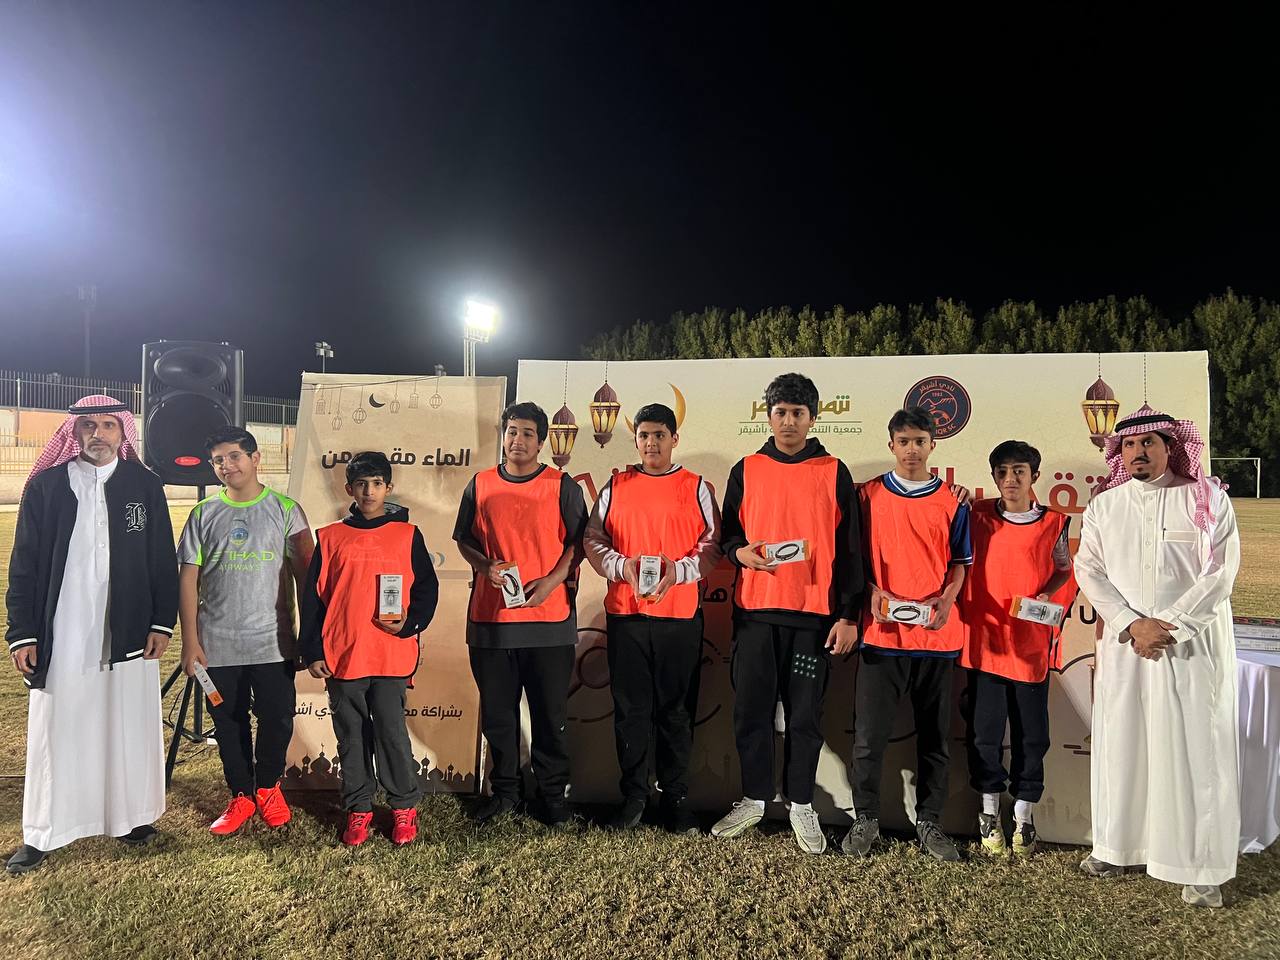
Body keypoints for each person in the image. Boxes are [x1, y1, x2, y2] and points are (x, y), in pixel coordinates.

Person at [1073, 404, 1240, 908]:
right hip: (1127, 646)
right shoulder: (1106, 506)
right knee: (1121, 742)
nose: (1138, 452)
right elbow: (1089, 570)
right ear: (1118, 453)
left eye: (1148, 443)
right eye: (1129, 445)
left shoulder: (1206, 499)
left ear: (1171, 447)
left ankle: (1199, 863)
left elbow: (1220, 572)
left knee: (1194, 749)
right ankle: (1115, 846)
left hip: (1189, 649)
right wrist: (1132, 624)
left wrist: (1169, 627)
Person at [5, 395, 178, 874]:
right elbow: (24, 565)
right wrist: (23, 632)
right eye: (87, 426)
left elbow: (161, 559)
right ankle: (44, 830)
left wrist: (161, 622)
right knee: (58, 726)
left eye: (108, 425)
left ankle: (129, 817)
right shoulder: (46, 487)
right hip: (63, 629)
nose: (97, 434)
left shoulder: (144, 485)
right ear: (74, 432)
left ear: (123, 432)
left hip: (128, 629)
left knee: (126, 722)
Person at [711, 372, 863, 855]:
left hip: (812, 621)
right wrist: (740, 554)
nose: (789, 421)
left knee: (804, 716)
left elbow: (851, 550)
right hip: (755, 616)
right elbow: (727, 535)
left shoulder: (834, 471)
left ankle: (801, 803)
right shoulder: (747, 468)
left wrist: (847, 615)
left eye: (798, 413)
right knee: (751, 712)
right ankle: (755, 798)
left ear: (813, 419)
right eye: (781, 412)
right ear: (768, 416)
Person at [583, 402, 721, 832]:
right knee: (630, 711)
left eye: (660, 435)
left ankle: (674, 798)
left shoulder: (696, 487)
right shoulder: (615, 486)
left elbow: (712, 545)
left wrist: (677, 573)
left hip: (679, 616)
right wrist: (622, 568)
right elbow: (593, 540)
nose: (651, 443)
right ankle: (634, 797)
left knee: (676, 712)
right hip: (626, 615)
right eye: (644, 435)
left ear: (674, 439)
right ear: (636, 440)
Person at [845, 406, 971, 862]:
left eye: (920, 441)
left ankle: (930, 822)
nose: (912, 449)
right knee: (868, 739)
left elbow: (960, 563)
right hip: (882, 637)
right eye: (904, 442)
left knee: (935, 741)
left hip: (936, 639)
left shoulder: (953, 500)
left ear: (933, 445)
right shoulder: (867, 496)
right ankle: (865, 818)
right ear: (891, 445)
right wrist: (872, 591)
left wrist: (948, 601)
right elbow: (854, 559)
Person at [454, 402, 588, 828]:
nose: (518, 440)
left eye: (528, 433)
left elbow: (580, 543)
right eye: (512, 431)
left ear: (542, 441)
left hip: (549, 623)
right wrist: (484, 566)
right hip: (492, 625)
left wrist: (551, 582)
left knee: (550, 718)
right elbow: (463, 539)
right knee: (498, 717)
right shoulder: (480, 484)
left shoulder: (561, 486)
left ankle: (553, 796)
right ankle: (506, 793)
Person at [177, 426, 314, 835]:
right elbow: (187, 579)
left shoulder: (286, 510)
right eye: (218, 460)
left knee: (277, 718)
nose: (226, 466)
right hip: (217, 646)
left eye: (234, 456)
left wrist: (309, 639)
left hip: (273, 643)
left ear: (255, 459)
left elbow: (307, 578)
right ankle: (240, 794)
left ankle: (268, 787)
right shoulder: (203, 514)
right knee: (227, 721)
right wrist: (190, 642)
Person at [298, 451, 438, 847]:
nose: (369, 491)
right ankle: (358, 808)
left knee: (392, 734)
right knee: (351, 737)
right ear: (349, 489)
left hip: (390, 655)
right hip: (344, 656)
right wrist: (313, 650)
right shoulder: (330, 537)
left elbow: (427, 589)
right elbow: (313, 601)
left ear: (388, 487)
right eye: (361, 484)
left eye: (377, 483)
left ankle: (403, 807)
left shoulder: (407, 535)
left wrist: (410, 623)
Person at [958, 440, 1074, 859]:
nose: (1010, 480)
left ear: (1034, 476)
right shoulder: (975, 515)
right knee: (983, 734)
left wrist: (1046, 596)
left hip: (1029, 647)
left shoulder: (1054, 523)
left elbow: (1064, 570)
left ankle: (1024, 813)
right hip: (985, 644)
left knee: (1032, 736)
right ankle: (988, 811)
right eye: (1002, 472)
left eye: (1019, 471)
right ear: (993, 477)